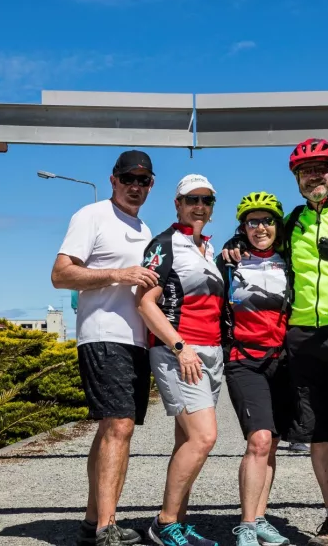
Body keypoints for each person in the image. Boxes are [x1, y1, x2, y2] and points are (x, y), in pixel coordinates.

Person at [225, 138, 328, 546]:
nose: (313, 177)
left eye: (320, 170)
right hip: (301, 337)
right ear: (297, 180)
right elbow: (260, 241)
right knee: (317, 434)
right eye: (305, 172)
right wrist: (235, 241)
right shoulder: (296, 220)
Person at [51, 149, 159, 546]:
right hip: (102, 334)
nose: (135, 185)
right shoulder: (92, 215)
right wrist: (118, 273)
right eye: (128, 178)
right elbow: (61, 274)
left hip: (136, 341)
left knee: (111, 429)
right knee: (119, 426)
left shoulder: (145, 229)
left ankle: (92, 520)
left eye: (143, 180)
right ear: (113, 180)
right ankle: (107, 527)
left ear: (151, 185)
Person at [137, 174, 225, 546]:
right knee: (205, 437)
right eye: (192, 200)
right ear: (178, 204)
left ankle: (180, 524)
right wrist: (179, 346)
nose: (199, 206)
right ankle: (164, 522)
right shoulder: (164, 244)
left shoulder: (208, 246)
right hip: (180, 352)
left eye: (206, 200)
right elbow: (144, 303)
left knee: (187, 441)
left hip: (212, 351)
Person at [217, 192, 295, 546]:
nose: (260, 227)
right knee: (259, 440)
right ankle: (246, 525)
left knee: (273, 442)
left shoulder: (290, 261)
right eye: (252, 222)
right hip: (244, 359)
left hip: (282, 360)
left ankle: (260, 516)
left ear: (278, 226)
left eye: (267, 221)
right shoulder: (230, 261)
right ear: (242, 227)